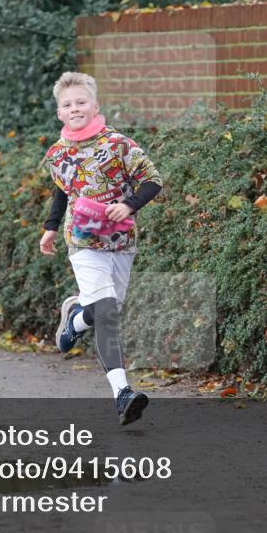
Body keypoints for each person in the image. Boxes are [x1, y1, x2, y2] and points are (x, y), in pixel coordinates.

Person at [39, 72, 163, 425]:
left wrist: (129, 205)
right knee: (107, 311)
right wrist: (50, 228)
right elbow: (62, 190)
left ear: (95, 106)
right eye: (67, 105)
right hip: (81, 241)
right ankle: (123, 393)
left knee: (105, 311)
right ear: (59, 113)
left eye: (81, 102)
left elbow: (152, 180)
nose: (75, 108)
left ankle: (76, 320)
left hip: (120, 240)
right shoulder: (56, 154)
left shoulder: (120, 145)